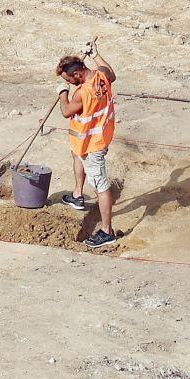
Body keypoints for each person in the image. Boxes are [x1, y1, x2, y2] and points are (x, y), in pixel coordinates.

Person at [56, 44, 118, 249]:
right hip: (86, 139)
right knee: (76, 156)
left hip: (94, 144)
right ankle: (77, 196)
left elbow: (66, 111)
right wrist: (96, 55)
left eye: (68, 80)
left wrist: (62, 93)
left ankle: (107, 231)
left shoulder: (82, 93)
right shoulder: (101, 76)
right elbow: (111, 74)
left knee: (101, 185)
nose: (68, 83)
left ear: (76, 74)